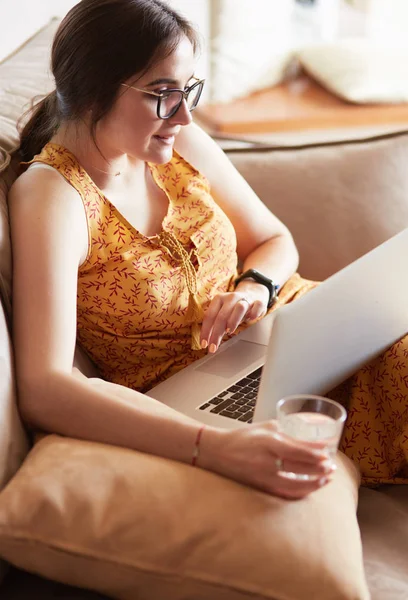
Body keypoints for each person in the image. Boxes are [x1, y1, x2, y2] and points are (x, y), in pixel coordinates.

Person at [9, 0, 407, 499]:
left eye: (188, 91)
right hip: (201, 394)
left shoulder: (178, 143)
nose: (183, 113)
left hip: (296, 329)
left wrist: (253, 287)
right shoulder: (54, 196)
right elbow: (45, 388)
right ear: (92, 89)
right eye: (161, 94)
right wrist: (213, 448)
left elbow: (274, 240)